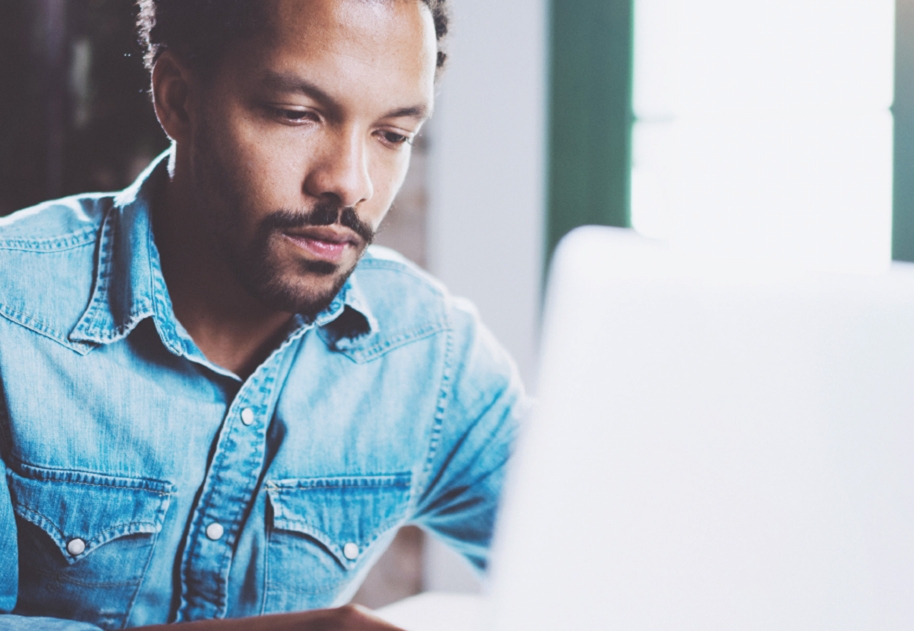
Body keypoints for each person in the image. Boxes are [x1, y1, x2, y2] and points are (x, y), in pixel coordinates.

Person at [0, 0, 527, 629]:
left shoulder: (432, 356)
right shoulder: (13, 315)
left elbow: (607, 566)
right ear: (179, 100)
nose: (350, 183)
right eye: (298, 115)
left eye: (392, 135)